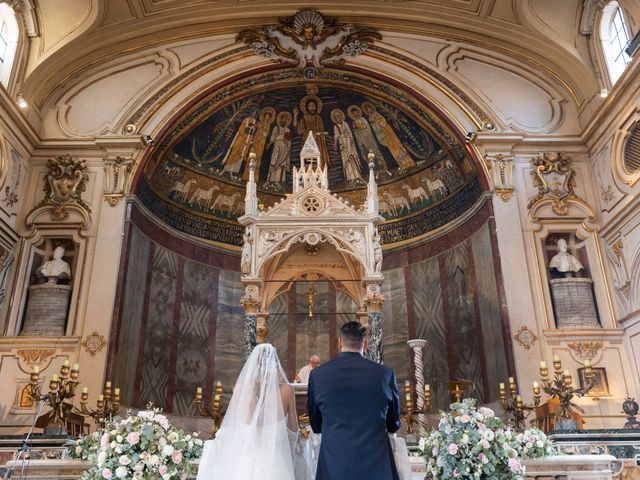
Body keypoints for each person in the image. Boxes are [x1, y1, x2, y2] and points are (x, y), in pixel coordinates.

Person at [307, 321, 401, 480]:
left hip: (334, 463)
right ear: (365, 343)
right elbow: (393, 424)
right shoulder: (385, 374)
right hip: (377, 463)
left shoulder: (318, 375)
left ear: (339, 343)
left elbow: (316, 425)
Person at [197, 344, 300, 480]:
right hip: (275, 460)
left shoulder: (241, 389)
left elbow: (236, 425)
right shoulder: (287, 391)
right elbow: (293, 429)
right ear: (276, 364)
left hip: (246, 460)